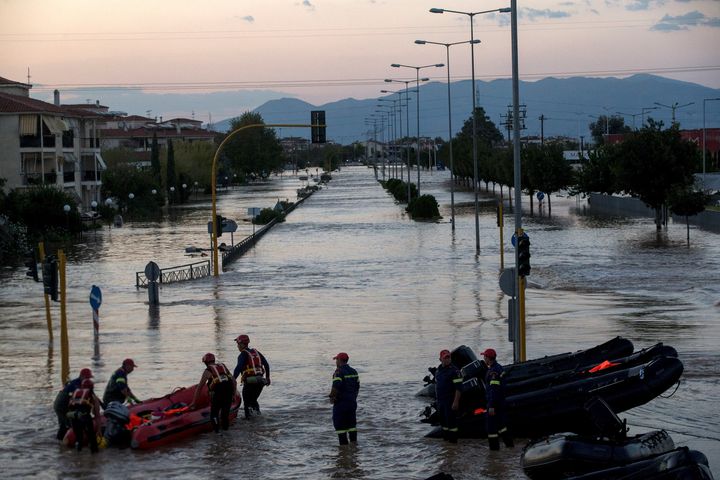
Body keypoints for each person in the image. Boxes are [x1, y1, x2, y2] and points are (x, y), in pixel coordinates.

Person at [189, 353, 236, 432]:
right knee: (225, 414)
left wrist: (194, 403)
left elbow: (199, 388)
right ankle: (226, 433)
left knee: (214, 414)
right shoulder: (223, 366)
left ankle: (217, 433)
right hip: (229, 392)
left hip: (218, 394)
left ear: (205, 363)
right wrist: (233, 394)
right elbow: (234, 381)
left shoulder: (207, 371)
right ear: (214, 360)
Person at [481, 348, 513, 450]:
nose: (483, 359)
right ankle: (510, 446)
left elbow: (493, 390)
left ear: (488, 358)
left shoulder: (493, 372)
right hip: (500, 402)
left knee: (491, 429)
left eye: (484, 356)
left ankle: (494, 452)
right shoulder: (499, 368)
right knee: (501, 426)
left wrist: (491, 406)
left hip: (494, 404)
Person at [233, 334, 270, 419]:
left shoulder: (242, 355)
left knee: (247, 403)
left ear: (242, 344)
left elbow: (238, 368)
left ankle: (248, 421)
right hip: (261, 381)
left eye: (238, 344)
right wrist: (268, 378)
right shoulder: (256, 352)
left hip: (250, 381)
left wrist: (233, 379)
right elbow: (266, 365)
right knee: (253, 400)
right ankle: (258, 417)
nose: (237, 346)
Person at [53, 368, 93, 440]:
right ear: (82, 376)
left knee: (64, 422)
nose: (89, 380)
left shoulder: (77, 382)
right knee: (67, 423)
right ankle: (62, 441)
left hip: (59, 403)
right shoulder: (76, 385)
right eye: (88, 378)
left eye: (89, 378)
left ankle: (59, 443)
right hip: (61, 405)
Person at [329, 352, 360, 446]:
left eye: (336, 360)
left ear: (339, 360)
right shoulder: (354, 371)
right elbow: (357, 387)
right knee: (352, 426)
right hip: (352, 403)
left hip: (341, 404)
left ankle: (344, 450)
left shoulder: (338, 372)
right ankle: (354, 447)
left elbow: (336, 386)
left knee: (340, 427)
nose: (336, 362)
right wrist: (353, 397)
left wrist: (331, 397)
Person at [434, 349, 462, 443]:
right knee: (443, 423)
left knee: (451, 423)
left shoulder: (454, 371)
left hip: (450, 401)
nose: (447, 359)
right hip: (440, 401)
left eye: (449, 357)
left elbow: (458, 388)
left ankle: (453, 444)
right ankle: (446, 443)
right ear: (440, 359)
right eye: (445, 358)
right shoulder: (438, 370)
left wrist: (456, 402)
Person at [67, 378, 102, 453]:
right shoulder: (92, 396)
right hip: (85, 418)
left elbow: (69, 406)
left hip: (74, 418)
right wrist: (99, 430)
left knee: (79, 440)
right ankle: (94, 460)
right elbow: (97, 415)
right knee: (93, 441)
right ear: (92, 388)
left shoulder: (75, 393)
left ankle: (78, 458)